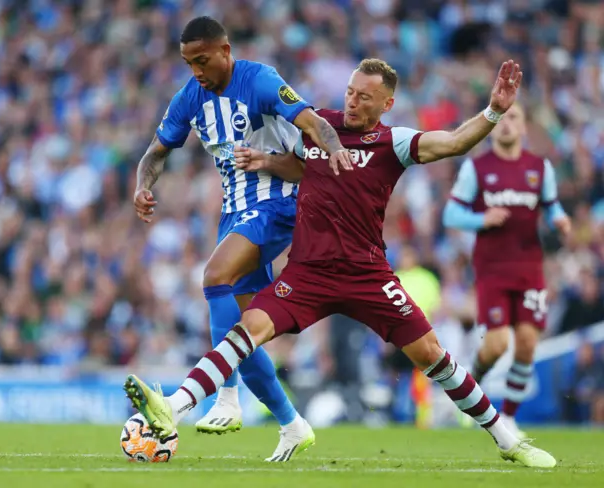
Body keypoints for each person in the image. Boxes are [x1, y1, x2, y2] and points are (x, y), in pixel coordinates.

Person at [126, 58, 556, 467]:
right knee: (247, 330)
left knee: (432, 355)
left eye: (364, 97)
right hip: (308, 272)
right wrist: (266, 162)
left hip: (367, 275)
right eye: (350, 92)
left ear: (386, 103)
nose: (352, 102)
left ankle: (507, 439)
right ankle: (174, 408)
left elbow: (454, 141)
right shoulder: (317, 126)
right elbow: (300, 168)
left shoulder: (394, 142)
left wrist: (494, 112)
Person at [132, 16, 353, 461]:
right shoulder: (190, 98)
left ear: (225, 51)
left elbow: (312, 122)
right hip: (236, 213)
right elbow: (155, 154)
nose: (196, 70)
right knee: (245, 333)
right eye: (188, 62)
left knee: (214, 276)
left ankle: (225, 398)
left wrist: (337, 150)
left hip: (282, 201)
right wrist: (142, 185)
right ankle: (292, 424)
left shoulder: (261, 80)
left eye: (203, 60)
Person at [443, 102, 571, 439]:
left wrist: (559, 217)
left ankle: (510, 418)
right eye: (500, 118)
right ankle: (475, 379)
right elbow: (451, 215)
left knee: (528, 342)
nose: (506, 124)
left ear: (525, 126)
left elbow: (551, 203)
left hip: (530, 268)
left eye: (514, 117)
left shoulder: (539, 168)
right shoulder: (477, 169)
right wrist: (480, 219)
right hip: (493, 269)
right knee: (497, 344)